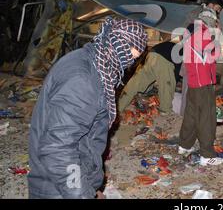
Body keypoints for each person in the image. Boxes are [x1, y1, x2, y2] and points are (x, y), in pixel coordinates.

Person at [28, 17, 147, 199]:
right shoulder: (82, 80)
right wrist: (82, 194)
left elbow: (84, 136)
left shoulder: (91, 59)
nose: (130, 63)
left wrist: (91, 185)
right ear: (118, 43)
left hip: (69, 182)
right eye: (130, 56)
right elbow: (58, 148)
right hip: (57, 189)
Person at [178, 7, 223, 166]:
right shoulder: (203, 34)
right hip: (202, 82)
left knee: (191, 115)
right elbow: (213, 57)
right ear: (210, 20)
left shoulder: (192, 32)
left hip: (193, 81)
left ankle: (184, 145)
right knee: (207, 119)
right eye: (215, 21)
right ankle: (207, 154)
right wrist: (217, 37)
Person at [180, 0, 223, 115]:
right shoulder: (204, 16)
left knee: (189, 91)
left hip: (195, 60)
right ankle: (187, 118)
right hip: (199, 61)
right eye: (219, 8)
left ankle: (187, 117)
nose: (218, 12)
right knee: (193, 91)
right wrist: (218, 32)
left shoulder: (195, 14)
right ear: (213, 5)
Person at [118, 40, 182, 115]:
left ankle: (119, 107)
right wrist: (176, 82)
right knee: (167, 86)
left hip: (151, 55)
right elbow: (174, 75)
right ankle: (165, 111)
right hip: (163, 58)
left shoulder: (177, 48)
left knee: (135, 83)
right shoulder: (184, 53)